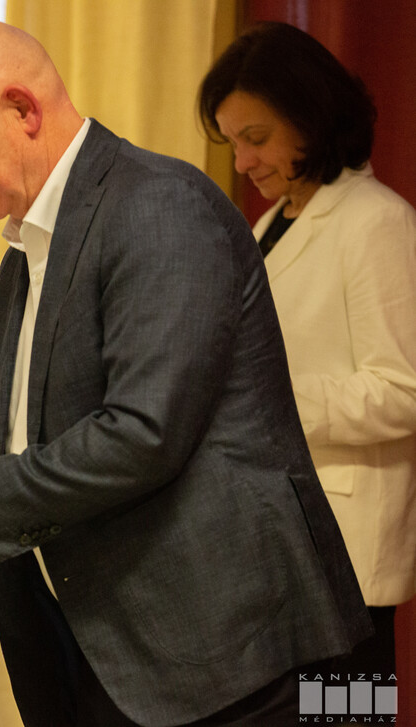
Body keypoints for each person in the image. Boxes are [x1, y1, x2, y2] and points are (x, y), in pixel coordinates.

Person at [0, 18, 372, 727]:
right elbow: (28, 449)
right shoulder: (27, 247)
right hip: (96, 653)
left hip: (227, 657)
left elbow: (141, 434)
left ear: (23, 110)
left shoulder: (160, 205)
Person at [199, 21, 416, 681]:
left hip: (345, 553)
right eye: (233, 143)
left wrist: (265, 399)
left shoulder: (376, 221)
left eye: (256, 138)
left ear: (312, 119)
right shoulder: (272, 222)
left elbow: (404, 389)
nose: (243, 162)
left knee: (350, 714)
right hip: (282, 542)